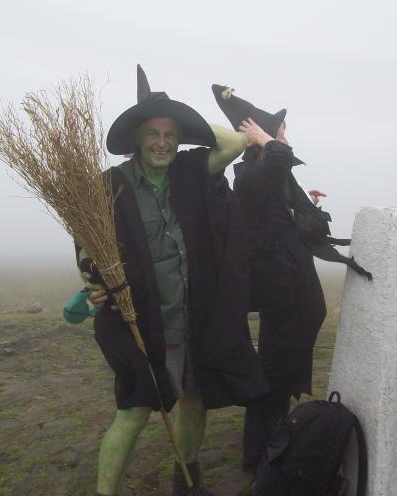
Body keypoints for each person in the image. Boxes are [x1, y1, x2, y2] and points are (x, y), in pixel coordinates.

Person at [81, 66, 268, 496]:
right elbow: (87, 247)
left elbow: (235, 141)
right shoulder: (108, 187)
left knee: (193, 399)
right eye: (152, 133)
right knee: (134, 411)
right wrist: (90, 280)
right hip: (141, 320)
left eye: (171, 133)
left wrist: (179, 114)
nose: (163, 142)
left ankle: (186, 477)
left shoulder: (192, 171)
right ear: (136, 140)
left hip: (192, 314)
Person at [212, 85, 328, 474]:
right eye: (279, 131)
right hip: (280, 290)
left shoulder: (269, 176)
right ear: (262, 137)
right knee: (273, 370)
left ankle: (271, 440)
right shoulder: (249, 174)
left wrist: (303, 206)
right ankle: (260, 455)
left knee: (278, 369)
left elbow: (276, 218)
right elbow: (277, 161)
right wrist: (264, 139)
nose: (284, 139)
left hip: (290, 287)